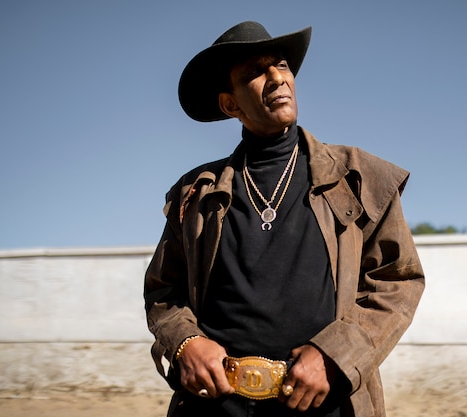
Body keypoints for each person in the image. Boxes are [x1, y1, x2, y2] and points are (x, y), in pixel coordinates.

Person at [144, 21, 425, 417]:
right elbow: (163, 292)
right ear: (231, 105)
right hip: (215, 408)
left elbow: (397, 281)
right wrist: (185, 342)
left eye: (281, 66)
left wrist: (335, 355)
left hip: (326, 405)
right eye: (256, 73)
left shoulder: (359, 179)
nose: (277, 78)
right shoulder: (196, 195)